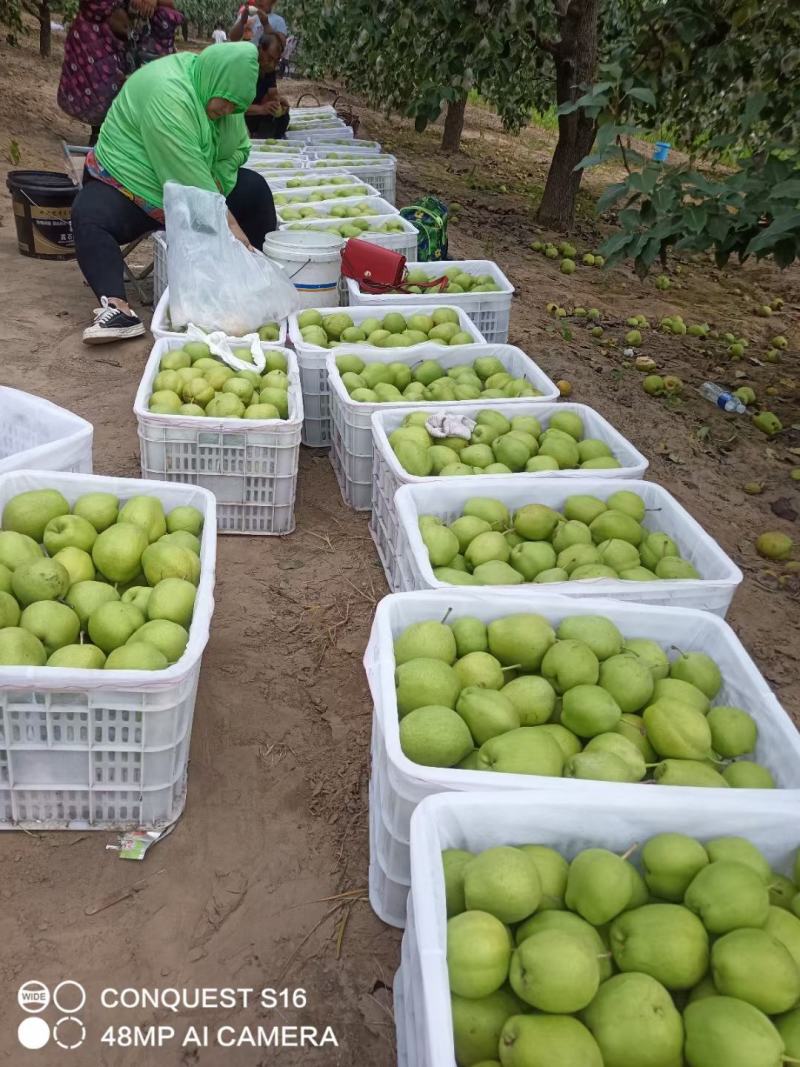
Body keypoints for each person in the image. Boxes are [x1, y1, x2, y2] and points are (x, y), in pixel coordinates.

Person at [71, 42, 277, 344]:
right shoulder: (166, 94)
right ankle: (117, 308)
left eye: (235, 106)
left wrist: (218, 177)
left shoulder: (226, 97)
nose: (227, 111)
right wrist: (231, 226)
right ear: (214, 77)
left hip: (192, 185)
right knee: (88, 213)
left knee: (255, 190)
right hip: (133, 186)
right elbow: (189, 181)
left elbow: (240, 149)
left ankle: (255, 288)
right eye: (226, 103)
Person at [57, 0, 181, 145]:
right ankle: (99, 132)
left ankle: (118, 132)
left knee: (136, 84)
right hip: (103, 30)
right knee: (102, 80)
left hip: (135, 34)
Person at [245, 33, 290, 139]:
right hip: (242, 113)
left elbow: (273, 94)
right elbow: (235, 106)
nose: (272, 64)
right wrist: (261, 109)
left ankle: (271, 138)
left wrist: (279, 102)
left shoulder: (269, 70)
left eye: (276, 60)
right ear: (260, 49)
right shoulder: (246, 67)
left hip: (257, 114)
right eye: (269, 58)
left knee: (283, 118)